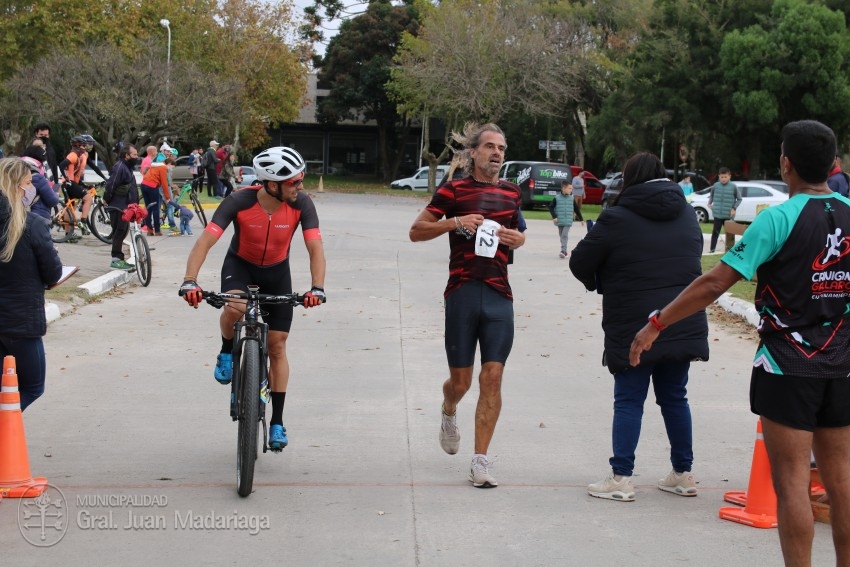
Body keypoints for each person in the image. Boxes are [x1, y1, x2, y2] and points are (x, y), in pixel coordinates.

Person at [629, 120, 850, 566]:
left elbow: (713, 283)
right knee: (842, 483)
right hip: (842, 365)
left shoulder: (777, 219)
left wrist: (657, 322)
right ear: (833, 166)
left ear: (785, 164)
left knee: (791, 487)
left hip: (787, 366)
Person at [569, 152, 708, 502]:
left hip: (633, 323)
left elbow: (580, 261)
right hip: (680, 318)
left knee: (629, 399)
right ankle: (683, 473)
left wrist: (600, 280)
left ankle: (621, 477)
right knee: (675, 396)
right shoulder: (688, 215)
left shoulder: (617, 217)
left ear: (628, 179)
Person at [180, 146, 326, 451]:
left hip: (277, 272)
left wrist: (317, 287)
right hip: (240, 267)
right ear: (272, 185)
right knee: (236, 306)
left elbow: (315, 248)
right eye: (294, 182)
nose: (300, 187)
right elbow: (205, 241)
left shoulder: (303, 205)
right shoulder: (239, 201)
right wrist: (190, 280)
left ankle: (277, 422)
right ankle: (226, 350)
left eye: (300, 181)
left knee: (277, 345)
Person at [408, 122, 525, 488]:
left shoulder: (511, 194)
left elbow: (519, 233)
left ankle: (480, 461)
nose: (496, 153)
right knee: (461, 381)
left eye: (501, 148)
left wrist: (516, 239)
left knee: (492, 376)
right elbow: (416, 230)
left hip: (498, 294)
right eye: (489, 146)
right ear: (472, 152)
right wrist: (454, 222)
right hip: (461, 291)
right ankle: (449, 408)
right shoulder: (454, 189)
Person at [0, 157, 63, 410]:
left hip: (14, 320)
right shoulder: (32, 225)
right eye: (28, 183)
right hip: (20, 324)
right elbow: (53, 272)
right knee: (32, 386)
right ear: (16, 186)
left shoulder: (27, 225)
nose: (31, 188)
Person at [103, 144, 140, 270]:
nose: (137, 157)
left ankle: (120, 259)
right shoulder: (120, 167)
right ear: (127, 155)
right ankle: (116, 260)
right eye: (134, 154)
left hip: (126, 206)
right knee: (119, 232)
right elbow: (111, 185)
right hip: (117, 206)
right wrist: (106, 200)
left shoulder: (127, 168)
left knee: (123, 232)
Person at [58, 135, 99, 234]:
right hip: (70, 183)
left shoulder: (79, 155)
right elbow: (61, 165)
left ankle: (68, 233)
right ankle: (83, 220)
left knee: (70, 207)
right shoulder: (73, 155)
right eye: (83, 146)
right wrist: (67, 178)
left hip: (70, 183)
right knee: (88, 198)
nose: (84, 148)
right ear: (77, 146)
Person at [21, 145, 61, 221]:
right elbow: (53, 200)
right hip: (39, 217)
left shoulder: (18, 171)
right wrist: (56, 192)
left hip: (20, 215)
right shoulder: (38, 177)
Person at [707, 167, 742, 253]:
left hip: (728, 215)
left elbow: (739, 199)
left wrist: (734, 208)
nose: (723, 179)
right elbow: (711, 195)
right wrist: (709, 203)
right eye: (722, 177)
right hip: (717, 214)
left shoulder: (733, 186)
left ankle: (730, 250)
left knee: (729, 233)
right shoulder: (715, 185)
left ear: (729, 176)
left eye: (725, 177)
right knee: (715, 232)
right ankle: (712, 250)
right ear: (719, 176)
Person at [139, 155, 175, 236]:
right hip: (152, 186)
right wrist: (168, 197)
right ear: (168, 164)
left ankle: (149, 230)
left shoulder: (155, 166)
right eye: (172, 167)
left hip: (143, 185)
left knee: (148, 207)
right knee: (155, 208)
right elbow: (164, 183)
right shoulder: (163, 168)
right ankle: (157, 230)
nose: (171, 169)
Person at [549, 179, 584, 259]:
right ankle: (564, 250)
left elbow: (576, 209)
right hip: (560, 220)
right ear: (563, 188)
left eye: (571, 188)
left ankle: (563, 251)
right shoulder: (557, 198)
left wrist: (581, 219)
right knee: (561, 236)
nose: (571, 190)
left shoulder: (571, 198)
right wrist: (554, 217)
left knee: (564, 235)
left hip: (568, 220)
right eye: (569, 188)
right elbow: (551, 207)